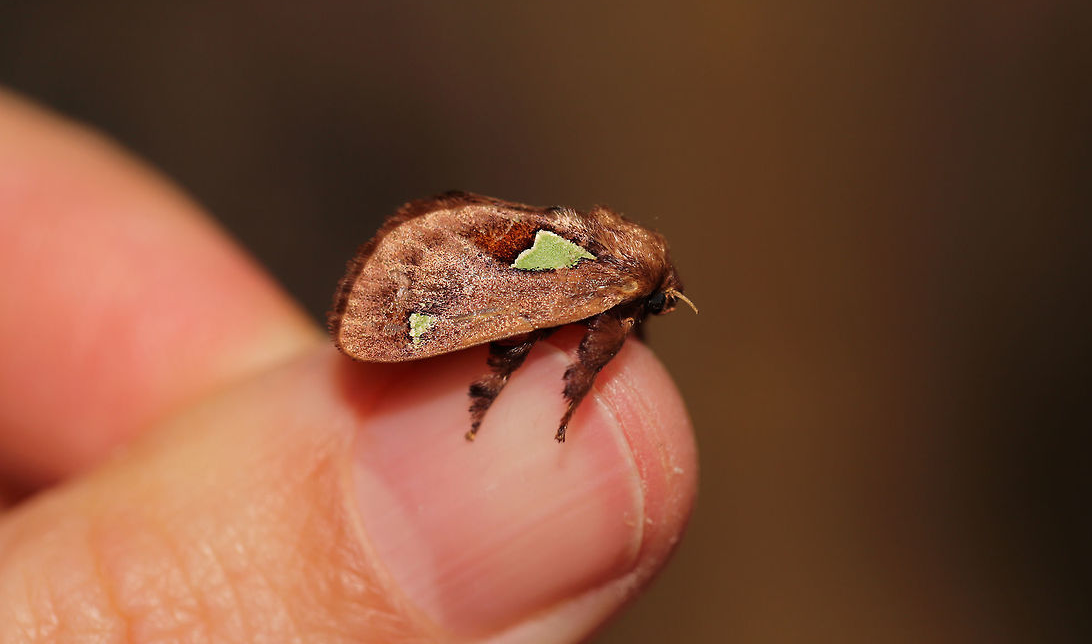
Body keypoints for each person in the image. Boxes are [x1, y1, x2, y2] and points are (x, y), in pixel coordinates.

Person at [0, 90, 697, 642]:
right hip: (455, 285)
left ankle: (487, 395)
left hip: (487, 251)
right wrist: (571, 406)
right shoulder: (610, 281)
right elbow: (591, 341)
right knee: (517, 313)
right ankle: (484, 399)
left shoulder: (618, 272)